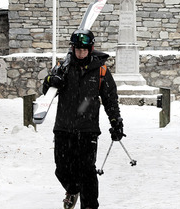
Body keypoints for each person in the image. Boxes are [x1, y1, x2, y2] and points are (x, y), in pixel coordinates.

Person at [43, 29, 125, 209]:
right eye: (77, 49)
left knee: (87, 171)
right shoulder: (63, 66)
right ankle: (72, 189)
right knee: (62, 168)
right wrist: (52, 80)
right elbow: (46, 88)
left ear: (90, 49)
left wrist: (116, 121)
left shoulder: (101, 70)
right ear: (72, 49)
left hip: (87, 129)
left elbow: (110, 98)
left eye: (84, 50)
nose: (80, 53)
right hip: (64, 127)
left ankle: (89, 206)